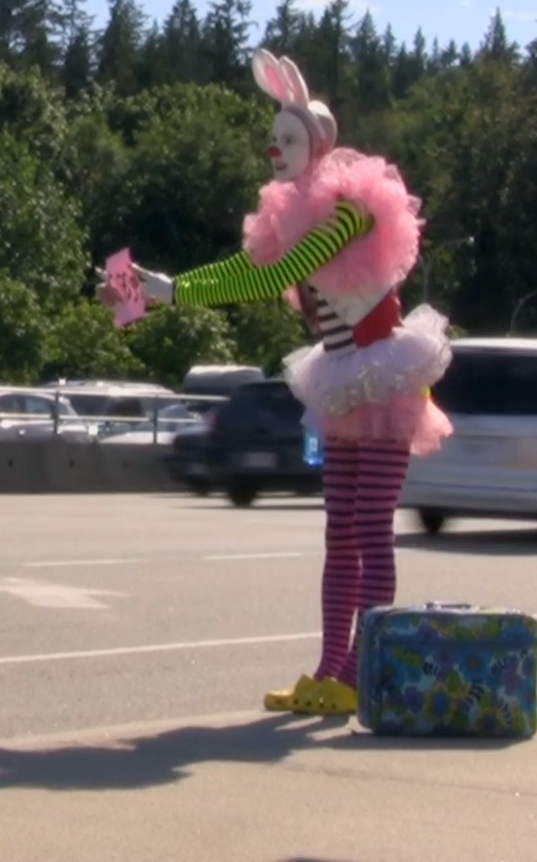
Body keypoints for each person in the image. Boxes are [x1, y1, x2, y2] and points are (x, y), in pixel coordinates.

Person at [102, 48, 454, 717]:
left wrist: (171, 293)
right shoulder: (290, 219)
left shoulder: (348, 211)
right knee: (340, 533)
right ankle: (330, 669)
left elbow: (266, 279)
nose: (277, 149)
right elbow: (245, 272)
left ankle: (362, 670)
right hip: (344, 384)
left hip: (384, 382)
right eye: (274, 139)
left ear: (320, 145)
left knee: (371, 529)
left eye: (290, 139)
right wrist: (165, 289)